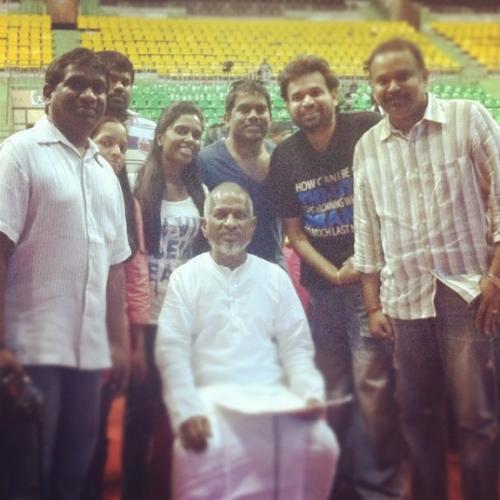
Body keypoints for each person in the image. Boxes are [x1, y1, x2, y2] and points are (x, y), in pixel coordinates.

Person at [352, 38, 500, 500]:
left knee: (474, 418)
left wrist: (496, 278)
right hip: (404, 301)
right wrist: (373, 306)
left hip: (466, 293)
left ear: (425, 77)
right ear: (371, 87)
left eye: (403, 76)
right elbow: (367, 230)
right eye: (382, 80)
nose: (393, 87)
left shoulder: (468, 118)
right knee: (417, 416)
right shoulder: (367, 147)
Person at [267, 55, 403, 499]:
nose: (307, 102)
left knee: (372, 388)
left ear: (334, 93)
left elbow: (393, 201)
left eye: (315, 92)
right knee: (335, 388)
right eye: (297, 96)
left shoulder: (366, 128)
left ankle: (379, 486)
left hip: (373, 286)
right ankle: (339, 478)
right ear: (288, 105)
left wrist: (362, 266)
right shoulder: (285, 156)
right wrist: (334, 274)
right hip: (324, 291)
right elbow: (295, 234)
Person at [0, 48, 130, 500]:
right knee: (26, 479)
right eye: (77, 84)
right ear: (48, 92)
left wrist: (119, 343)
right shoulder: (18, 155)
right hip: (30, 351)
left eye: (98, 88)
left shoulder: (105, 172)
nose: (90, 95)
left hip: (88, 355)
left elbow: (115, 267)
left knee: (73, 476)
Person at [156, 182, 339, 500]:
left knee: (321, 442)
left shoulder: (275, 277)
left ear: (252, 226)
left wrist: (308, 393)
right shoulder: (185, 278)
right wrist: (186, 410)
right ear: (205, 225)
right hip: (210, 397)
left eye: (239, 215)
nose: (230, 223)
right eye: (221, 215)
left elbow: (297, 346)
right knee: (198, 450)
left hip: (268, 393)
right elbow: (172, 351)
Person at [128, 101, 207, 500]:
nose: (189, 139)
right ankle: (134, 490)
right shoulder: (136, 189)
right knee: (140, 411)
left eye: (196, 133)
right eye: (181, 130)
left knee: (180, 410)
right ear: (160, 137)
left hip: (186, 321)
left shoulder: (201, 192)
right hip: (147, 320)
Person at [84, 116, 150, 500]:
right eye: (107, 142)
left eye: (122, 147)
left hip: (110, 330)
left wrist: (132, 340)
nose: (116, 153)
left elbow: (136, 274)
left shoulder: (130, 204)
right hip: (67, 328)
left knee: (97, 431)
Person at [197, 79, 282, 264]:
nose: (253, 116)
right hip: (220, 268)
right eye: (244, 110)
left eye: (261, 110)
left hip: (270, 265)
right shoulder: (205, 161)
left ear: (270, 117)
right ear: (227, 119)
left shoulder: (281, 158)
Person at [96, 50, 156, 185]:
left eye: (125, 82)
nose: (119, 87)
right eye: (112, 80)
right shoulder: (81, 129)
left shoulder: (152, 130)